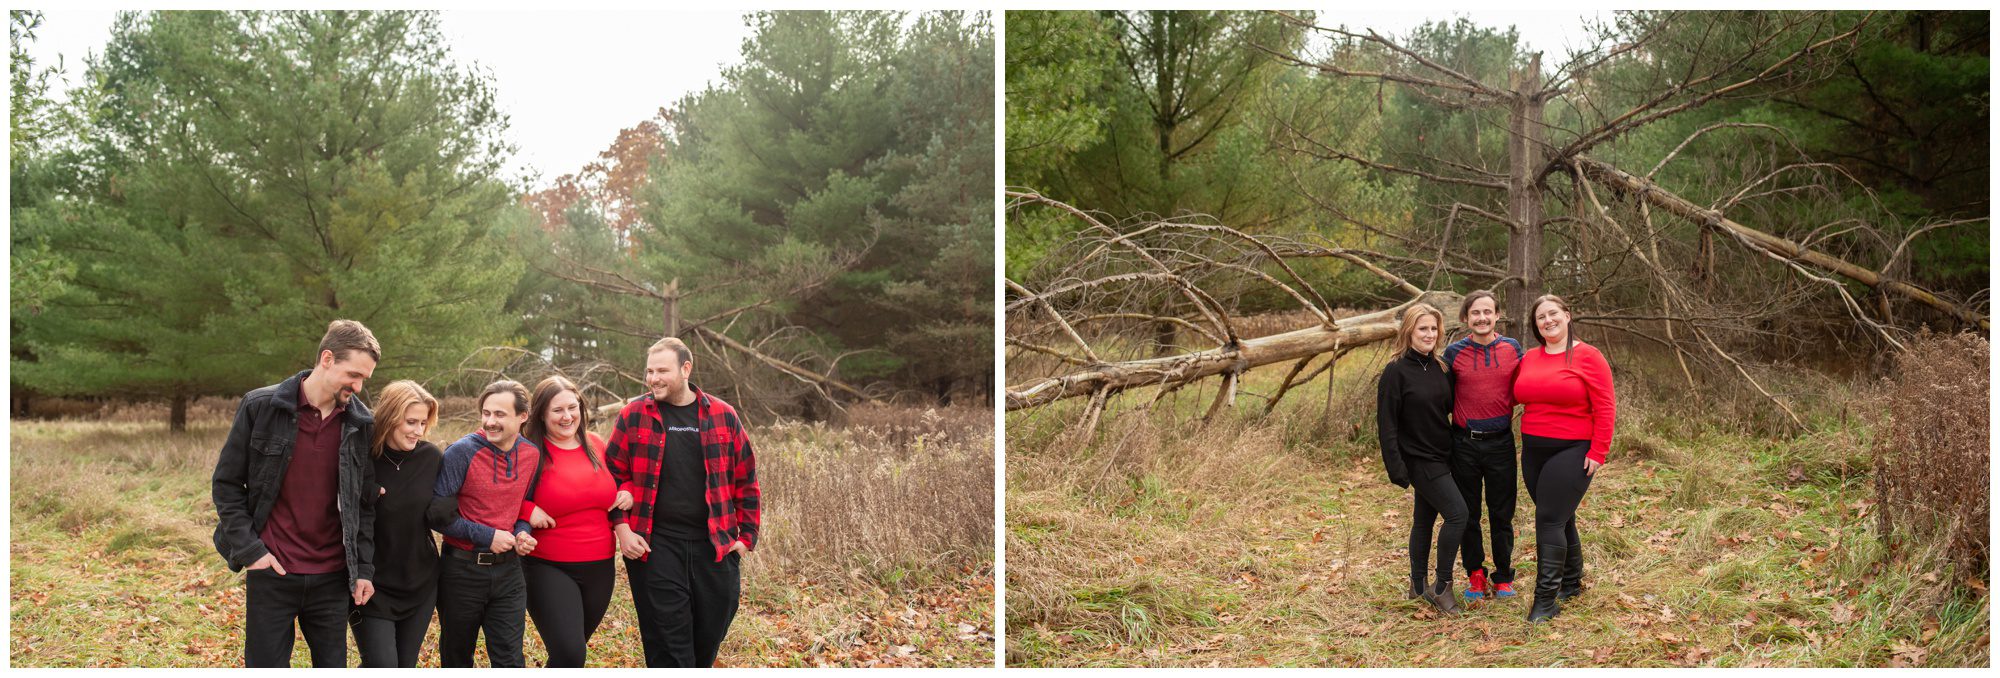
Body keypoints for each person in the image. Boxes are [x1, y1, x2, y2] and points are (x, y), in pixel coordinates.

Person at [210, 319, 379, 667]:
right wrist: (252, 551)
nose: (359, 386)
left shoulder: (360, 425)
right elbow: (227, 486)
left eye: (365, 378)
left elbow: (363, 505)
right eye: (354, 374)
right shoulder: (261, 406)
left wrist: (362, 568)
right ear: (328, 358)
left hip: (333, 576)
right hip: (272, 571)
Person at [608, 337, 761, 667]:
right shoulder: (633, 415)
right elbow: (611, 474)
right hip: (656, 544)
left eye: (662, 370)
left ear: (686, 369)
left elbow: (746, 480)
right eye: (649, 371)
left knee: (708, 636)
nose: (653, 379)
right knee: (668, 642)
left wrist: (746, 539)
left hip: (714, 545)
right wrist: (622, 529)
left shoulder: (723, 415)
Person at [1513, 294, 1617, 622]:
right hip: (1533, 450)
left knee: (1548, 519)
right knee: (1560, 516)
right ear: (1536, 325)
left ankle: (1545, 600)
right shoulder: (1529, 357)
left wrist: (1599, 451)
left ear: (1567, 316)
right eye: (1541, 317)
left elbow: (1605, 405)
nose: (1548, 320)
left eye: (1553, 313)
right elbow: (1515, 396)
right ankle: (1571, 582)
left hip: (1573, 449)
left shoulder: (1588, 356)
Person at [433, 380, 543, 667]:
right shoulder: (461, 452)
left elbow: (523, 508)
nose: (490, 422)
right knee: (457, 659)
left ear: (523, 416)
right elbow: (437, 515)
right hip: (461, 571)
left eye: (499, 415)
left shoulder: (531, 455)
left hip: (509, 573)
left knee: (510, 659)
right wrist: (487, 535)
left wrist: (522, 532)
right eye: (486, 413)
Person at [517, 376, 624, 667]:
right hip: (547, 566)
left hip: (601, 566)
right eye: (557, 410)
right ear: (541, 413)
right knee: (570, 653)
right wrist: (527, 511)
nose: (567, 417)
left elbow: (620, 484)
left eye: (572, 408)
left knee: (568, 656)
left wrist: (628, 491)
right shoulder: (527, 451)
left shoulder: (596, 445)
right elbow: (495, 494)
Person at [351, 380, 454, 667]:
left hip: (420, 581)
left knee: (405, 665)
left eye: (423, 422)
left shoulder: (431, 457)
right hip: (371, 583)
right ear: (389, 418)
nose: (418, 431)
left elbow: (446, 504)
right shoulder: (362, 458)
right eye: (411, 422)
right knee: (382, 665)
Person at [1375, 303, 1465, 616]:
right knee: (1458, 515)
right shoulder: (1396, 370)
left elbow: (1447, 411)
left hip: (1443, 455)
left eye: (1433, 329)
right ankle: (1441, 587)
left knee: (1424, 521)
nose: (1429, 334)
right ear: (1409, 332)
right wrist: (1396, 468)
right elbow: (1387, 424)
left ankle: (1416, 585)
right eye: (1422, 328)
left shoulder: (1440, 367)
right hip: (1419, 460)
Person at [1440, 291, 1526, 600]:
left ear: (1497, 315)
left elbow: (1523, 387)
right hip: (1464, 443)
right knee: (1468, 512)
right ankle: (1475, 573)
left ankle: (1503, 575)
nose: (1482, 318)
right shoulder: (1452, 354)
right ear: (1465, 318)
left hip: (1501, 442)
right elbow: (1441, 397)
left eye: (1488, 312)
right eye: (1475, 313)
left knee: (1502, 512)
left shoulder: (1512, 349)